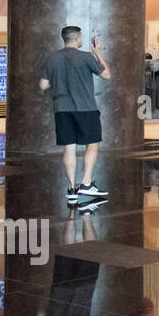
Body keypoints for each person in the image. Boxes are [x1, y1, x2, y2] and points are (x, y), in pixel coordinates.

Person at [39, 25, 111, 202]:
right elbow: (107, 74)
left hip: (62, 109)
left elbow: (43, 85)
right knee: (92, 144)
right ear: (77, 38)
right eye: (80, 37)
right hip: (86, 108)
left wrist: (59, 79)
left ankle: (72, 189)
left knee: (69, 148)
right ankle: (86, 184)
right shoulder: (86, 56)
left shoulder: (53, 58)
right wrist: (99, 53)